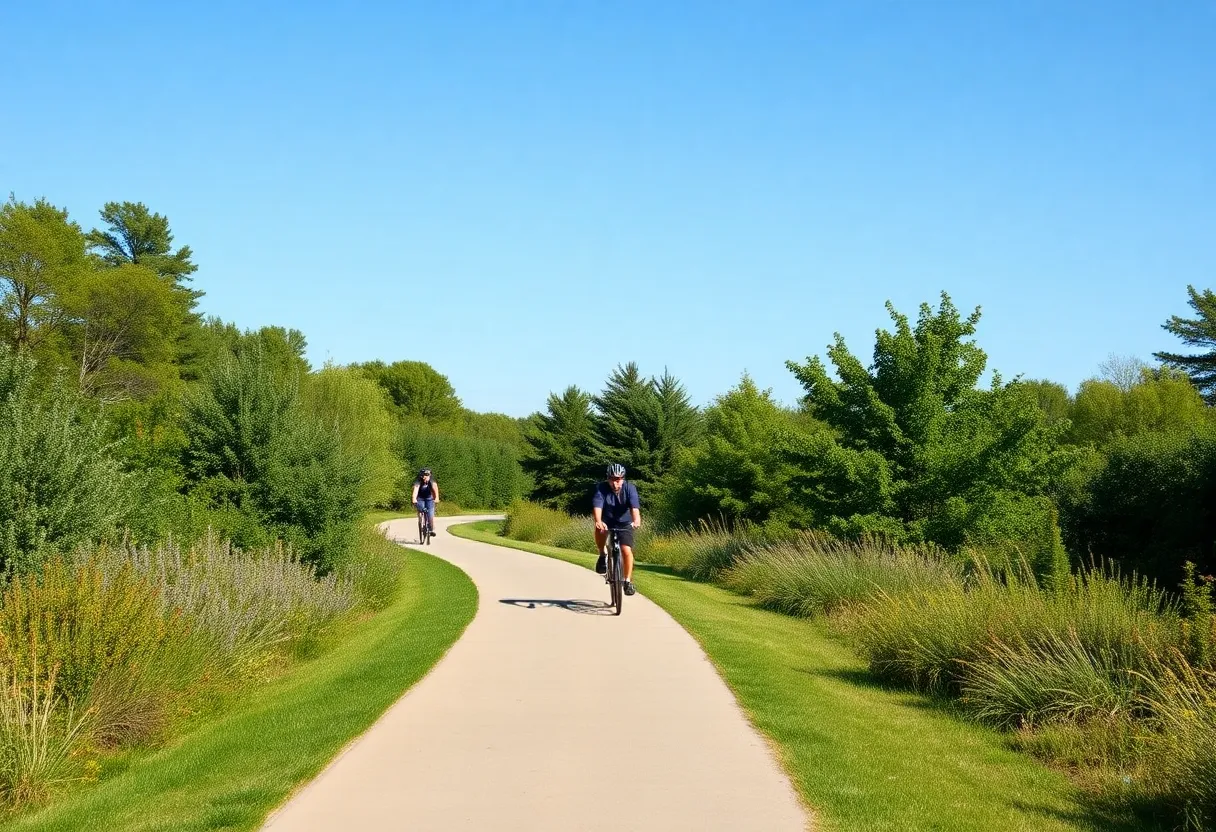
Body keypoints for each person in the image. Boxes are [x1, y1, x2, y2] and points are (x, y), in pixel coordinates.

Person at [592, 463, 641, 596]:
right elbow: (598, 506)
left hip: (625, 522)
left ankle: (627, 581)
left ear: (623, 479)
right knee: (600, 530)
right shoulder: (601, 488)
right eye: (612, 479)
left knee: (626, 550)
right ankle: (602, 555)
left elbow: (634, 508)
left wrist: (636, 520)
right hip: (607, 521)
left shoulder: (630, 488)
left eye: (618, 479)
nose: (615, 482)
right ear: (608, 478)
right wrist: (598, 521)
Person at [411, 468, 439, 535]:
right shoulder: (418, 482)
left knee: (430, 516)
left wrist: (436, 498)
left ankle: (431, 529)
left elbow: (435, 490)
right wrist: (414, 498)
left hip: (429, 499)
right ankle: (421, 524)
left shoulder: (432, 482)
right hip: (420, 499)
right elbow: (415, 490)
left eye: (426, 475)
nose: (424, 477)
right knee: (420, 511)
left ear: (430, 475)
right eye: (423, 475)